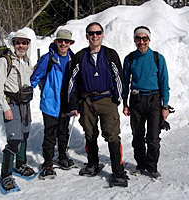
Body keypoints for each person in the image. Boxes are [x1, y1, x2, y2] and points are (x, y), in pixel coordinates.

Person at [68, 22, 128, 184]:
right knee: (90, 133)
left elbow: (119, 77)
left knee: (112, 134)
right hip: (87, 101)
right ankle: (93, 164)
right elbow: (72, 82)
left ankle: (118, 170)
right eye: (91, 33)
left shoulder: (110, 54)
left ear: (102, 35)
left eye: (98, 33)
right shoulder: (80, 57)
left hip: (106, 99)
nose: (95, 36)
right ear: (87, 36)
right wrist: (74, 104)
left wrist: (116, 98)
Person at [122, 26, 170, 179]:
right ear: (134, 40)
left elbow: (164, 83)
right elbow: (125, 83)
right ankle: (140, 164)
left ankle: (152, 166)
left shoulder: (158, 58)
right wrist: (124, 102)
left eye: (144, 39)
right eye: (138, 39)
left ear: (149, 40)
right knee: (137, 135)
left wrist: (165, 105)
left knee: (153, 137)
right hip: (136, 100)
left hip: (154, 100)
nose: (141, 42)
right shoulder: (129, 59)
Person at [0, 32, 35, 190]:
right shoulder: (4, 61)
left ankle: (20, 165)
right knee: (14, 139)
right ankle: (6, 175)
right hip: (12, 105)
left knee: (24, 135)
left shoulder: (26, 60)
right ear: (13, 43)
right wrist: (5, 108)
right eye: (18, 43)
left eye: (24, 43)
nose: (21, 46)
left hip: (25, 105)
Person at [30, 29, 75, 179]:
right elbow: (35, 77)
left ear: (70, 43)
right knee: (50, 132)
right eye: (60, 41)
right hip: (50, 100)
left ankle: (62, 156)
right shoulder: (47, 59)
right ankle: (47, 163)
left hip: (66, 100)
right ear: (56, 42)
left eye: (66, 41)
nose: (63, 44)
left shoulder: (72, 59)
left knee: (63, 131)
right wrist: (27, 92)